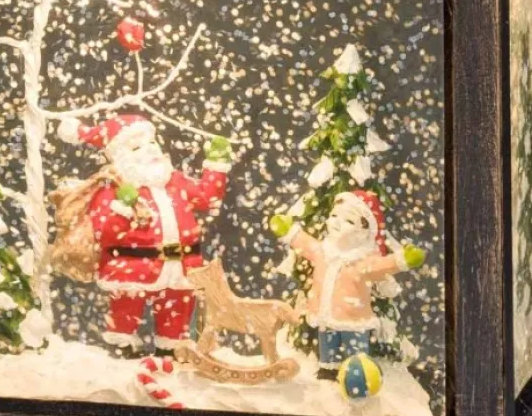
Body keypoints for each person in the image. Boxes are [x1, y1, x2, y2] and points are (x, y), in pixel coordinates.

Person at [58, 114, 232, 354]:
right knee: (126, 307)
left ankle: (172, 348)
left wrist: (216, 165)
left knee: (176, 307)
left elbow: (206, 198)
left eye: (151, 142)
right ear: (120, 156)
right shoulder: (112, 189)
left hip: (180, 264)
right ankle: (121, 344)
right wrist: (122, 209)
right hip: (133, 265)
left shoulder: (174, 182)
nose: (149, 150)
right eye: (136, 147)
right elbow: (104, 231)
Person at [269, 190, 426, 378]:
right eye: (334, 215)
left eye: (349, 221)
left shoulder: (362, 261)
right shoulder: (323, 251)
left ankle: (357, 374)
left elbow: (383, 265)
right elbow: (305, 243)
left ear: (364, 231)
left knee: (355, 353)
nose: (336, 222)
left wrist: (402, 259)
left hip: (353, 319)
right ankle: (329, 369)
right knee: (328, 346)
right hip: (324, 316)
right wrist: (289, 231)